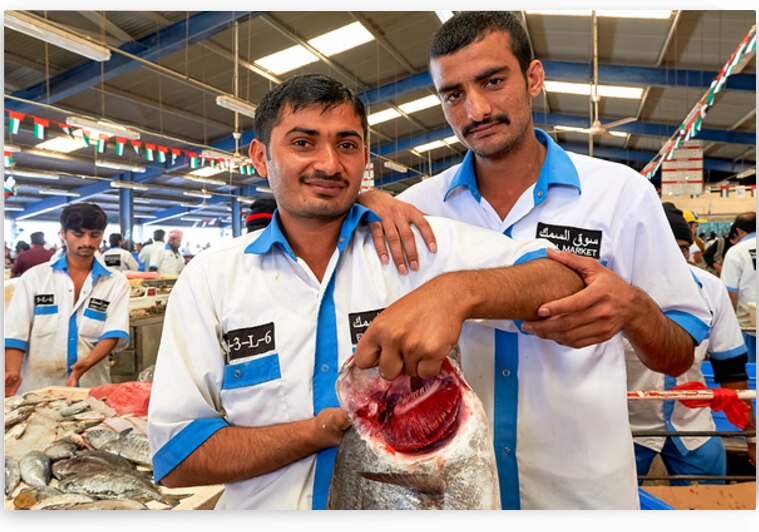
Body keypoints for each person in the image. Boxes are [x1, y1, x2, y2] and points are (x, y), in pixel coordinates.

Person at [147, 73, 585, 510]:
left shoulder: (417, 246)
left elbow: (565, 281)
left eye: (347, 144)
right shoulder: (211, 279)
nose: (329, 164)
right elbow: (177, 457)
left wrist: (456, 292)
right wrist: (316, 432)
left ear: (365, 156)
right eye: (303, 143)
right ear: (261, 157)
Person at [354, 12, 710, 509]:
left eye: (493, 81)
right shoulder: (419, 209)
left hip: (583, 495)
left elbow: (678, 354)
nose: (475, 109)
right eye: (453, 94)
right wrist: (358, 204)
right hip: (459, 493)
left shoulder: (619, 195)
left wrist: (633, 310)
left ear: (534, 78)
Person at [627, 203, 755, 486]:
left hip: (692, 422)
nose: (675, 259)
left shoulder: (710, 288)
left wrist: (753, 438)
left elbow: (731, 369)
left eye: (683, 249)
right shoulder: (616, 290)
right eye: (665, 248)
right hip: (626, 424)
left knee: (708, 498)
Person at [4, 203, 130, 396]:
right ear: (62, 234)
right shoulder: (34, 278)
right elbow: (15, 332)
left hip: (90, 387)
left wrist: (86, 363)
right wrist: (12, 371)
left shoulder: (115, 282)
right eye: (78, 234)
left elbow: (113, 332)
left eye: (94, 235)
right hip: (38, 388)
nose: (87, 242)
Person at [720, 211, 756, 362]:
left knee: (754, 371)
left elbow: (730, 293)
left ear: (739, 231)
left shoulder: (736, 252)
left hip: (750, 324)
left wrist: (728, 325)